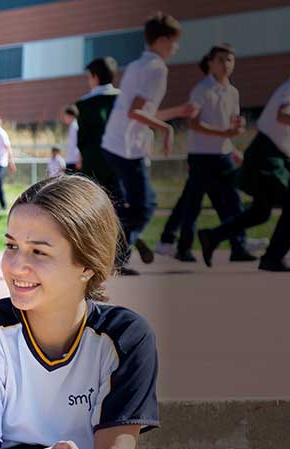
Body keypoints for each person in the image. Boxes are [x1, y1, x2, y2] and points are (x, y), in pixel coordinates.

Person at [0, 176, 159, 449]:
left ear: (87, 264)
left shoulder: (126, 337)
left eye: (38, 251)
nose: (16, 265)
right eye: (11, 246)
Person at [198, 43, 290, 273]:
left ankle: (212, 236)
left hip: (272, 155)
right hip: (267, 156)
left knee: (261, 211)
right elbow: (283, 114)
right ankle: (272, 257)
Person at [100, 12, 198, 272]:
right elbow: (136, 112)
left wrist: (176, 112)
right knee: (145, 205)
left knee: (133, 205)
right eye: (174, 42)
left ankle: (123, 241)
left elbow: (140, 110)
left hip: (115, 143)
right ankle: (116, 257)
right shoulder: (157, 69)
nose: (176, 48)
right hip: (127, 147)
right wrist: (166, 129)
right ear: (164, 40)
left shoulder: (136, 65)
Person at [157, 44, 252, 264]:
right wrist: (226, 132)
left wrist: (235, 137)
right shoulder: (201, 89)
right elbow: (194, 123)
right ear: (210, 62)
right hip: (201, 156)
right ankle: (184, 247)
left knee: (233, 202)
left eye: (230, 60)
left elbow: (230, 124)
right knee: (194, 204)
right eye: (221, 60)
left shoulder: (233, 92)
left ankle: (239, 246)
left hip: (224, 155)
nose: (226, 64)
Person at [69, 57, 127, 274]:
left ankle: (91, 255)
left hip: (93, 162)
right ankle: (119, 256)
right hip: (119, 160)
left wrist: (81, 157)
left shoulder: (84, 104)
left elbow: (82, 138)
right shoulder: (122, 100)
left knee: (91, 209)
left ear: (94, 77)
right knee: (120, 208)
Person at [59, 105, 80, 176]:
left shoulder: (75, 127)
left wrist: (79, 160)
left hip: (74, 160)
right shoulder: (72, 127)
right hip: (70, 160)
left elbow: (78, 144)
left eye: (66, 116)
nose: (65, 119)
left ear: (71, 116)